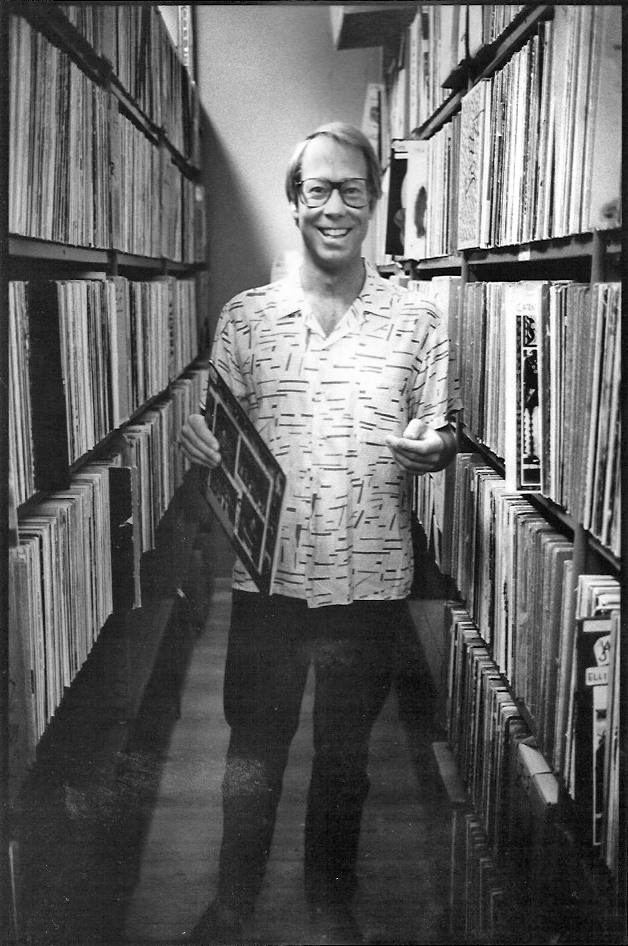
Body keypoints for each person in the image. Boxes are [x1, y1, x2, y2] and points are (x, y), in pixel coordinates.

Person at [180, 122, 461, 945]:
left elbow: (440, 427)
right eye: (318, 190)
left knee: (345, 759)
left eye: (351, 190)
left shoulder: (418, 321)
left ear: (373, 201)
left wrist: (439, 448)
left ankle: (330, 901)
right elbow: (218, 437)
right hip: (269, 580)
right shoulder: (247, 319)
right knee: (253, 751)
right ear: (294, 200)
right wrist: (199, 442)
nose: (334, 207)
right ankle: (232, 905)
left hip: (370, 583)